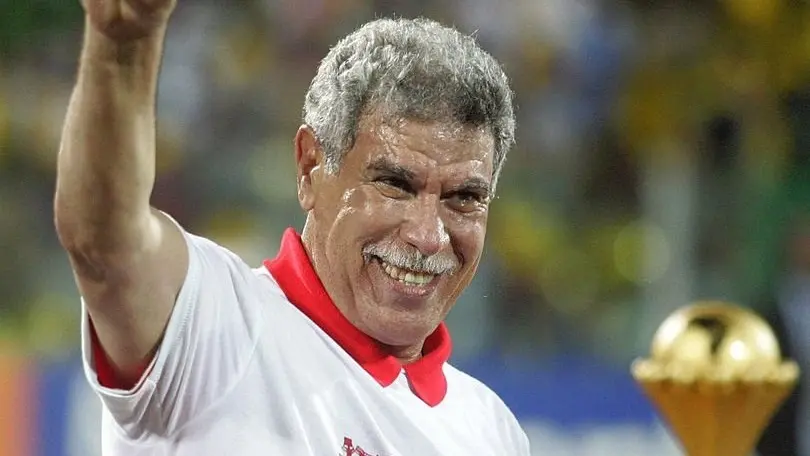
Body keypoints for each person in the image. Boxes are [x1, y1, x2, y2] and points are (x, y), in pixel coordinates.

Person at [54, 1, 529, 455]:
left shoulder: (492, 432)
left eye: (464, 198)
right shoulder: (214, 325)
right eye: (395, 185)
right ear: (309, 167)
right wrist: (122, 47)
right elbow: (106, 243)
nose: (428, 237)